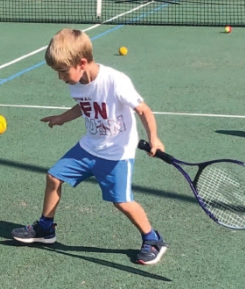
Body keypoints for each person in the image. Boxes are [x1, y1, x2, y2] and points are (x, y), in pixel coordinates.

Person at [11, 28, 168, 265]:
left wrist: (154, 138)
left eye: (62, 71)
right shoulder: (76, 84)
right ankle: (45, 228)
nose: (60, 77)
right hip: (89, 147)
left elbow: (143, 110)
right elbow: (84, 105)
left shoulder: (116, 82)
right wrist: (62, 118)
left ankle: (153, 238)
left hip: (116, 154)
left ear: (81, 63)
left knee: (122, 201)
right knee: (54, 177)